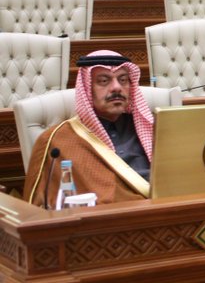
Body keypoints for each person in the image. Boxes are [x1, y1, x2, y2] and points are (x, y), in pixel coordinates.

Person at [24, 51, 155, 207]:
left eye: (123, 80)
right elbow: (39, 206)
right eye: (104, 81)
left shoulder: (153, 129)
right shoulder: (57, 141)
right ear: (86, 89)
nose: (116, 87)